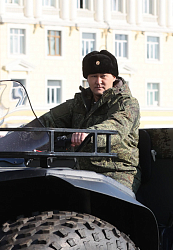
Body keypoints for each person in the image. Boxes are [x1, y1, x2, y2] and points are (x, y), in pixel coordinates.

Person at [36, 50, 141, 192]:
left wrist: (87, 134)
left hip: (118, 172)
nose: (98, 81)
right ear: (87, 78)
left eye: (103, 76)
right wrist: (14, 138)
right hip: (83, 172)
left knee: (111, 203)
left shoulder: (127, 103)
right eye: (93, 76)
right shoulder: (78, 103)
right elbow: (47, 121)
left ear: (114, 77)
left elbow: (115, 128)